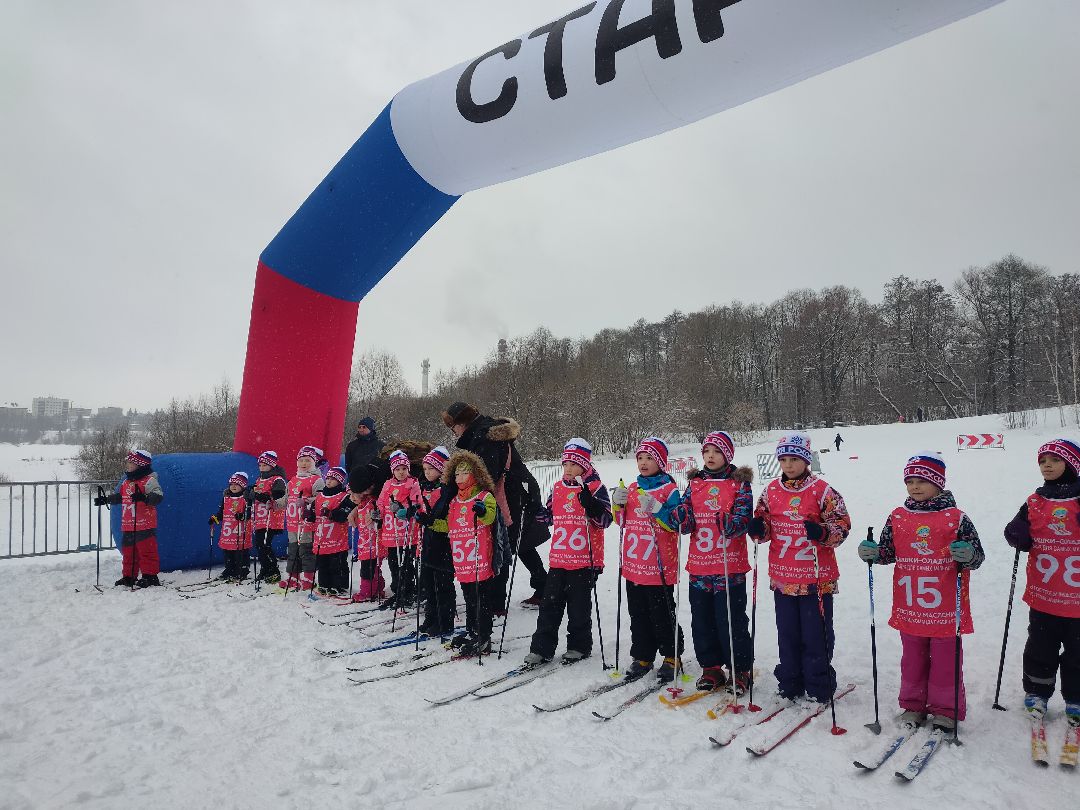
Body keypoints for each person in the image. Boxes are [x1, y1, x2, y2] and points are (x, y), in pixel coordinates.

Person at [860, 452, 984, 734]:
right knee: (912, 658)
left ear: (939, 483)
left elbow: (978, 557)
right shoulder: (898, 516)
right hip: (910, 604)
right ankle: (913, 705)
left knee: (945, 661)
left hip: (944, 608)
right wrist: (873, 553)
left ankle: (945, 710)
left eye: (922, 481)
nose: (914, 486)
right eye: (909, 481)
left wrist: (969, 555)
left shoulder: (956, 518)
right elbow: (887, 552)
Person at [747, 432, 851, 705]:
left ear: (806, 460)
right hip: (784, 577)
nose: (789, 465)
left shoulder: (823, 491)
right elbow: (763, 524)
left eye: (794, 459)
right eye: (784, 460)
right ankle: (790, 680)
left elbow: (842, 526)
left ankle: (819, 682)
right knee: (788, 632)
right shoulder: (770, 491)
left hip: (816, 578)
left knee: (816, 633)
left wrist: (823, 531)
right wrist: (758, 528)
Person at [1003, 439, 1080, 730]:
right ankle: (1037, 692)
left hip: (1076, 599)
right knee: (1040, 648)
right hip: (1044, 595)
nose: (1046, 465)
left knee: (1077, 652)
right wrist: (1016, 533)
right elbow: (1014, 530)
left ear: (1071, 464)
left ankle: (1076, 697)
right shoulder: (1035, 500)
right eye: (1042, 461)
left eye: (1055, 460)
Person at [442, 401, 547, 608]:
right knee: (520, 543)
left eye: (453, 427)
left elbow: (486, 475)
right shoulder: (486, 432)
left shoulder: (484, 438)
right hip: (518, 492)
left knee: (503, 544)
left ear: (462, 423)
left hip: (510, 497)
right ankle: (543, 587)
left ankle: (498, 600)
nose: (453, 432)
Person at [674, 431, 754, 693]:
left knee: (730, 620)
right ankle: (711, 668)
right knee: (702, 620)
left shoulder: (739, 484)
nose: (710, 456)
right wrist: (680, 516)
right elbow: (686, 523)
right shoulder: (695, 483)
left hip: (729, 568)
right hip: (699, 566)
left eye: (717, 451)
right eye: (707, 451)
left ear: (727, 455)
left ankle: (740, 669)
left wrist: (730, 523)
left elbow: (744, 520)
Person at [524, 439, 611, 666]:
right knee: (549, 606)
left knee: (579, 607)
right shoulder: (558, 487)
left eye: (574, 464)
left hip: (584, 560)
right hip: (560, 558)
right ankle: (541, 648)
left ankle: (579, 646)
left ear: (585, 466)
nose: (569, 469)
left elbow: (605, 521)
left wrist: (591, 505)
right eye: (566, 464)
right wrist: (535, 510)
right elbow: (550, 516)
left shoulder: (596, 488)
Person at [611, 437, 685, 682]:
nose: (643, 462)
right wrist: (617, 505)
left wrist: (657, 508)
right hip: (634, 565)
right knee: (638, 613)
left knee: (662, 613)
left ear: (661, 462)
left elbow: (676, 524)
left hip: (658, 566)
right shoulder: (632, 488)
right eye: (640, 458)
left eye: (649, 458)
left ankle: (671, 654)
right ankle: (642, 655)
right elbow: (621, 523)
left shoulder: (669, 489)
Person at [439, 450, 502, 657]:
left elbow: (490, 517)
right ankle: (472, 630)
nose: (459, 478)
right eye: (456, 475)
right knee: (468, 597)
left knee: (481, 598)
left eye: (464, 474)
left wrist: (483, 511)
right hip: (462, 560)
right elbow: (449, 525)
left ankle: (484, 637)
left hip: (480, 558)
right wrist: (428, 521)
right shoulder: (455, 501)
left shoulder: (484, 496)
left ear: (475, 474)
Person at [94, 449, 163, 588]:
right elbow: (121, 496)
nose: (128, 465)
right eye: (128, 462)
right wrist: (106, 499)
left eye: (131, 462)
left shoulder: (149, 480)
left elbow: (158, 496)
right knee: (129, 552)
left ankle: (150, 576)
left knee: (146, 551)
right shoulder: (126, 482)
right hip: (129, 524)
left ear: (140, 464)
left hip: (144, 524)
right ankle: (129, 576)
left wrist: (144, 497)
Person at [416, 446, 457, 636]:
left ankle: (444, 621)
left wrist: (429, 520)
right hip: (429, 543)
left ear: (441, 468)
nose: (427, 472)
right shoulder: (425, 488)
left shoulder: (449, 490)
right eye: (425, 469)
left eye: (431, 468)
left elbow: (449, 520)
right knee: (429, 584)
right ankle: (431, 617)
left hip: (444, 545)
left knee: (443, 586)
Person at [376, 449, 423, 609]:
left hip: (407, 533)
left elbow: (417, 503)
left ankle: (408, 591)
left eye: (404, 469)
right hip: (391, 533)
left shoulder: (413, 483)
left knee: (406, 564)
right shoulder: (388, 484)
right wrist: (378, 512)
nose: (401, 472)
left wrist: (403, 507)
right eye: (397, 469)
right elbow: (381, 502)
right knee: (393, 564)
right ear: (392, 471)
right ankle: (398, 590)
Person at [279, 446, 323, 591]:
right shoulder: (292, 480)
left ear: (314, 462)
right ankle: (293, 577)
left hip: (306, 523)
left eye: (308, 461)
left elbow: (321, 499)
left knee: (306, 551)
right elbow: (285, 499)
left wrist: (307, 501)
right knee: (293, 551)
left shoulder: (316, 480)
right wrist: (273, 504)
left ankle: (308, 579)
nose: (304, 463)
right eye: (301, 461)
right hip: (292, 523)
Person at [309, 466, 355, 595]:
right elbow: (314, 513)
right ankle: (324, 584)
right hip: (321, 537)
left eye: (333, 479)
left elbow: (345, 514)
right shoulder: (320, 496)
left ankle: (339, 584)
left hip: (337, 538)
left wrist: (332, 514)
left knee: (337, 563)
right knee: (322, 563)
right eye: (327, 478)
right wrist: (309, 514)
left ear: (340, 481)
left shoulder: (344, 496)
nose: (329, 481)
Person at [248, 450, 286, 583]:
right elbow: (256, 494)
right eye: (260, 465)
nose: (262, 468)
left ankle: (273, 571)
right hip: (259, 518)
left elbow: (277, 497)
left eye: (265, 465)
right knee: (259, 545)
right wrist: (250, 494)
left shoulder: (277, 479)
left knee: (264, 544)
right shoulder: (260, 479)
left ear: (272, 465)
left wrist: (257, 495)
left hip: (271, 518)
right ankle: (265, 569)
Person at [209, 471, 253, 582]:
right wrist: (214, 519)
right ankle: (229, 570)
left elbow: (251, 513)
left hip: (240, 531)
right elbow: (221, 513)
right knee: (227, 552)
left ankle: (242, 570)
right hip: (228, 532)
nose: (233, 486)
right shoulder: (226, 498)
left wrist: (242, 516)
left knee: (240, 552)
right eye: (231, 484)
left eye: (236, 484)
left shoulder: (246, 498)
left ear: (242, 486)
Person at [347, 484, 385, 601]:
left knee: (367, 569)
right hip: (365, 543)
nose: (352, 497)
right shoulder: (361, 505)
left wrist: (375, 515)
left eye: (355, 494)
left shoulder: (371, 503)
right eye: (350, 494)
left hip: (373, 543)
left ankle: (367, 593)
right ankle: (377, 588)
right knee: (372, 568)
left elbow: (379, 516)